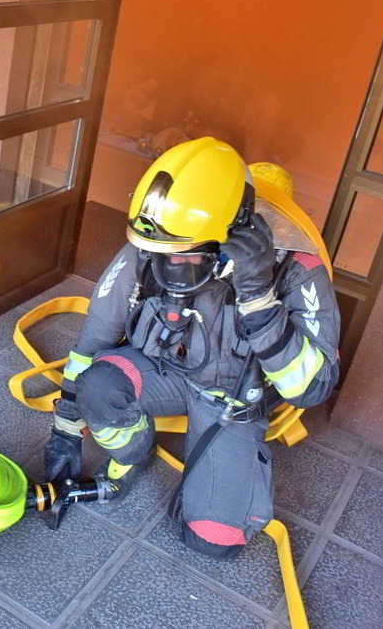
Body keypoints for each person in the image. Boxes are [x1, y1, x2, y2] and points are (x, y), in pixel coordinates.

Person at [44, 137, 340, 559]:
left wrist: (258, 301)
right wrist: (67, 427)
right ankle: (133, 453)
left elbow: (310, 389)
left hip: (229, 401)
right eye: (165, 255)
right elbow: (94, 337)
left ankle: (232, 477)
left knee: (212, 541)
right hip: (159, 370)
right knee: (98, 384)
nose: (171, 266)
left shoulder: (297, 270)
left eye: (188, 256)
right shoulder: (155, 241)